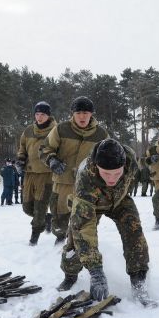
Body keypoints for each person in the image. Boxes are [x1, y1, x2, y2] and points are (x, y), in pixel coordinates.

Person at [56, 139, 153, 306]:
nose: (112, 179)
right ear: (97, 166)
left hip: (120, 201)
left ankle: (138, 283)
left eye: (117, 173)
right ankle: (70, 275)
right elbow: (84, 228)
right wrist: (96, 272)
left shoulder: (130, 159)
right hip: (90, 203)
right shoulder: (85, 176)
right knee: (76, 239)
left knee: (135, 234)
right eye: (106, 174)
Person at [40, 96, 109, 245]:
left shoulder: (101, 135)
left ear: (91, 114)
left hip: (88, 184)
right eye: (78, 113)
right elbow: (45, 148)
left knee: (84, 218)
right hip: (62, 181)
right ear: (73, 114)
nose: (82, 116)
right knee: (60, 218)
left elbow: (108, 157)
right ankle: (59, 241)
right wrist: (52, 160)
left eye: (86, 112)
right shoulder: (61, 129)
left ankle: (80, 245)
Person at [17, 101, 57, 245]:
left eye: (43, 114)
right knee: (27, 208)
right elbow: (22, 148)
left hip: (46, 174)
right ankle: (47, 218)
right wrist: (20, 160)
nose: (39, 117)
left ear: (48, 115)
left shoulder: (56, 131)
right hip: (30, 173)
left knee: (40, 206)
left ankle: (34, 237)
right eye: (37, 114)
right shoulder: (28, 130)